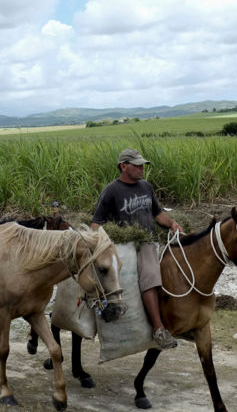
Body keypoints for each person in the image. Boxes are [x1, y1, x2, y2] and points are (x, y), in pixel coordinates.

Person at [90, 148, 183, 349]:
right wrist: (101, 245)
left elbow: (158, 214)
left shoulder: (146, 187)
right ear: (124, 166)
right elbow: (96, 224)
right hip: (128, 246)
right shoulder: (112, 190)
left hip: (147, 240)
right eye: (137, 165)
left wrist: (173, 223)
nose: (142, 168)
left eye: (142, 165)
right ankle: (159, 329)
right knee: (150, 275)